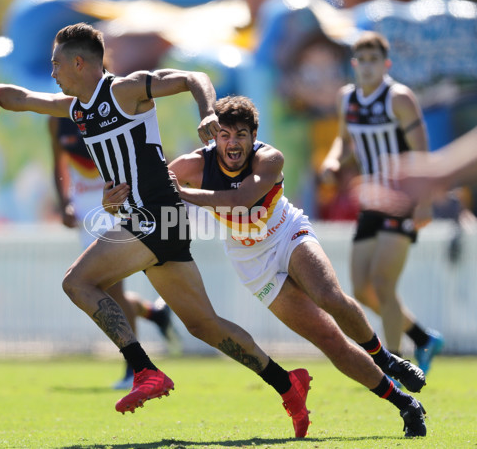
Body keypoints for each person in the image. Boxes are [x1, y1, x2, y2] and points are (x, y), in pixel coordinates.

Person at [0, 22, 317, 438]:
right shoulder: (77, 108)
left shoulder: (122, 91)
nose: (51, 73)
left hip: (155, 214)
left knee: (78, 283)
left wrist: (209, 112)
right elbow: (24, 99)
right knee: (204, 326)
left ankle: (144, 370)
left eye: (55, 64)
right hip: (152, 218)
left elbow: (193, 78)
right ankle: (288, 384)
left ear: (78, 62)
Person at [163, 95, 427, 437]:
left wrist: (181, 193)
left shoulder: (269, 158)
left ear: (254, 135)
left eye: (241, 134)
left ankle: (386, 358)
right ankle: (406, 404)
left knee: (328, 295)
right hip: (252, 260)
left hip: (287, 232)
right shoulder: (195, 164)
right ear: (214, 136)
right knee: (328, 337)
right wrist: (119, 196)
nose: (232, 143)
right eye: (225, 134)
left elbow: (240, 198)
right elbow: (154, 184)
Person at [319, 31, 444, 375]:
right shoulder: (347, 99)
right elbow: (343, 143)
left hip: (402, 199)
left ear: (386, 64)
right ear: (354, 64)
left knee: (384, 284)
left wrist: (424, 202)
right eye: (362, 60)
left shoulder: (399, 97)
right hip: (370, 200)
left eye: (375, 60)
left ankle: (397, 367)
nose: (368, 67)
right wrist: (333, 162)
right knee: (361, 289)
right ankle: (421, 337)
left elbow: (421, 150)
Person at [48, 115, 181, 389]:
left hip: (114, 206)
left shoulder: (108, 106)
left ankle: (135, 369)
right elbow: (58, 162)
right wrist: (64, 204)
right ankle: (152, 313)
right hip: (85, 212)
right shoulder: (56, 118)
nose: (57, 76)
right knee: (104, 290)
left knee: (105, 289)